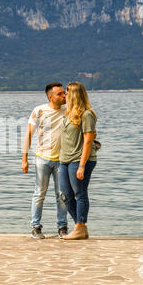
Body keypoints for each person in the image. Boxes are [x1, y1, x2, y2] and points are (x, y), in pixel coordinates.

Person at [22, 82, 69, 239]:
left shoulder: (68, 108)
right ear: (51, 97)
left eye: (64, 93)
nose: (64, 96)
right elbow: (28, 134)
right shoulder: (39, 111)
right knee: (39, 194)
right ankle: (36, 227)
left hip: (62, 160)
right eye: (60, 94)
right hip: (42, 159)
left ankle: (62, 227)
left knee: (62, 195)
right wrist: (24, 159)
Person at [59, 82, 97, 240]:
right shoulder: (67, 114)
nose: (64, 96)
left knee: (80, 193)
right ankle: (80, 227)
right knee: (65, 195)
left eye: (66, 93)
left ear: (74, 95)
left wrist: (82, 165)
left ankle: (80, 226)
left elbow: (88, 141)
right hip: (65, 160)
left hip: (80, 160)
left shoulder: (87, 115)